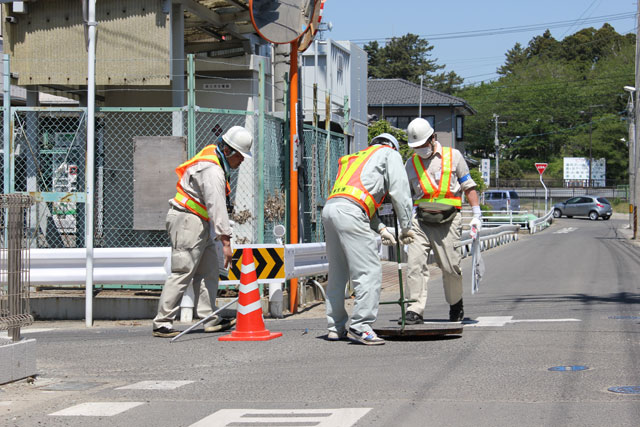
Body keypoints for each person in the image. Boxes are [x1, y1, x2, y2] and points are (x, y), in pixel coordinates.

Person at [152, 126, 253, 338]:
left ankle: (210, 318)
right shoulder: (213, 170)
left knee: (208, 272)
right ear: (228, 151)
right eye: (241, 157)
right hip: (188, 222)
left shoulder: (213, 160)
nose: (241, 161)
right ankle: (162, 322)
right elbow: (216, 205)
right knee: (183, 271)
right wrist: (226, 242)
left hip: (197, 222)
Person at [322, 133, 415, 345]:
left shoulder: (355, 158)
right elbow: (400, 190)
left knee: (338, 272)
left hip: (331, 210)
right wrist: (407, 226)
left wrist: (381, 229)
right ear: (392, 146)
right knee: (369, 270)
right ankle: (361, 326)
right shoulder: (389, 154)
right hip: (352, 212)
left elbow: (359, 196)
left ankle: (335, 327)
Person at [402, 118, 482, 324]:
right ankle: (415, 308)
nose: (420, 149)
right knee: (414, 265)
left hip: (449, 219)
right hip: (421, 220)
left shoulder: (453, 156)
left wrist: (476, 214)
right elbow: (404, 196)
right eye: (415, 147)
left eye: (422, 145)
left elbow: (468, 186)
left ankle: (456, 304)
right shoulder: (410, 164)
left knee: (450, 267)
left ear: (433, 138)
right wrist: (405, 225)